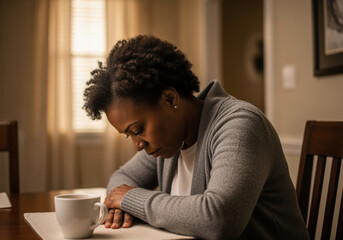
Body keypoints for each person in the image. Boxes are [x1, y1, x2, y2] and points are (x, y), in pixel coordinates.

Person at [83, 35, 309, 240]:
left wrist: (131, 200)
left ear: (170, 99)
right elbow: (122, 179)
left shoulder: (240, 125)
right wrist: (119, 205)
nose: (137, 145)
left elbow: (219, 218)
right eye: (128, 135)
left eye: (138, 128)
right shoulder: (169, 140)